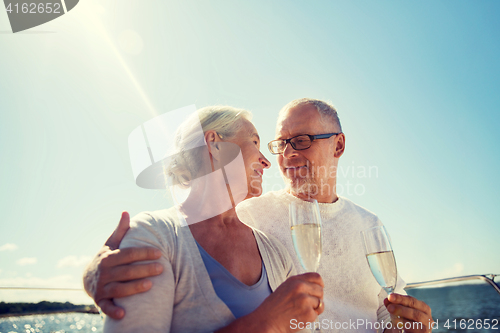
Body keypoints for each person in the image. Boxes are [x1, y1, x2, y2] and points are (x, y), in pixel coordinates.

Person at [84, 99, 433, 333]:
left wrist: (408, 323)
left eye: (303, 140)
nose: (283, 156)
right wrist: (93, 273)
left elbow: (387, 307)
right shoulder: (247, 212)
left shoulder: (368, 225)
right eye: (279, 144)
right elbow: (173, 230)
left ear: (338, 145)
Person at [91, 105, 325, 333]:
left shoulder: (276, 254)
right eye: (254, 142)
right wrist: (265, 324)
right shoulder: (153, 235)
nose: (266, 161)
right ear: (215, 144)